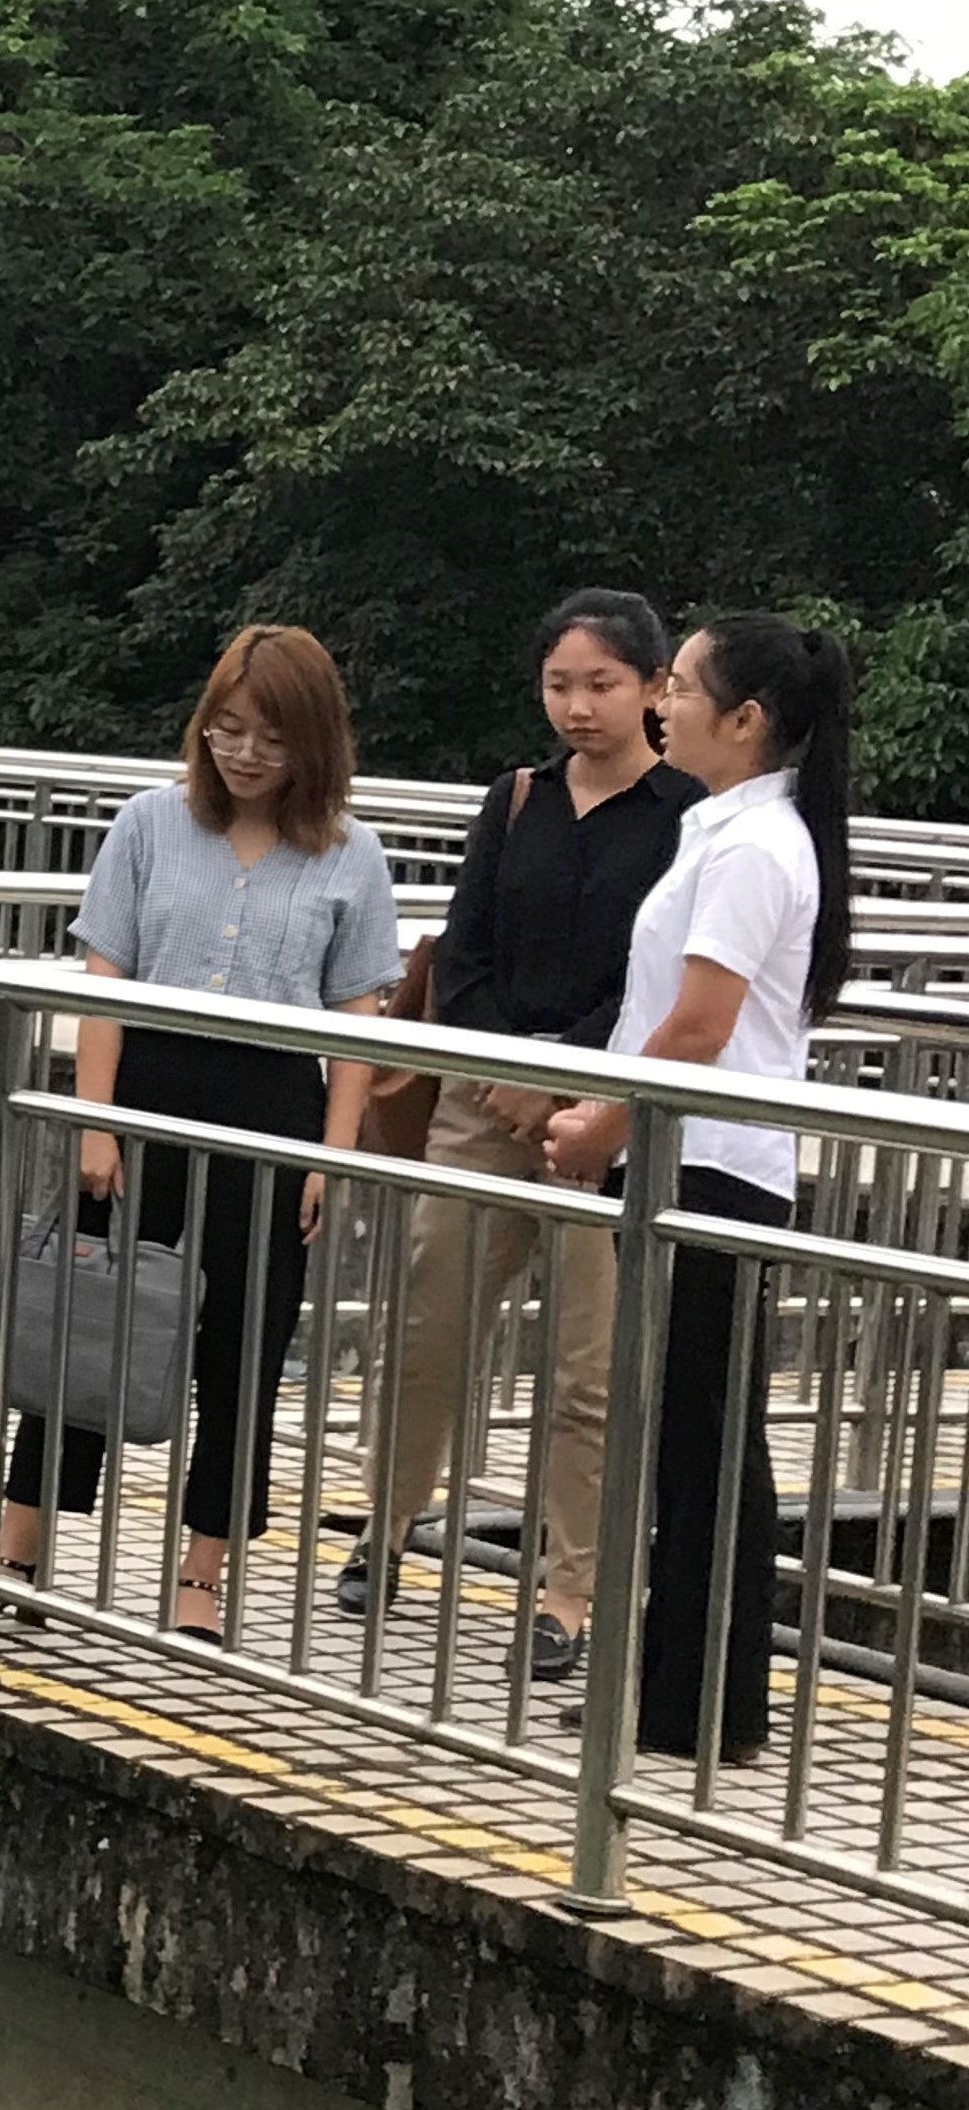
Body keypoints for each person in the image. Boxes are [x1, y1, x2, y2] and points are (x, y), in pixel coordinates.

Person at [0, 626, 403, 1639]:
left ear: (311, 740)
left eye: (266, 737)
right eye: (223, 730)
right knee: (85, 1319)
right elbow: (104, 973)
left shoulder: (349, 853)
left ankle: (200, 1575)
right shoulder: (148, 821)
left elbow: (355, 1014)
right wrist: (94, 1118)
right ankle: (16, 1545)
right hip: (143, 1087)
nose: (243, 754)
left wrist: (332, 1154)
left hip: (271, 1108)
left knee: (243, 1349)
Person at [346, 593, 702, 1672]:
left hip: (605, 1116)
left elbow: (659, 982)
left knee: (587, 1363)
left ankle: (568, 1592)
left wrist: (566, 1085)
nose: (577, 706)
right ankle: (384, 1527)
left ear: (650, 688)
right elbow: (462, 954)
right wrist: (508, 1074)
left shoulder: (686, 816)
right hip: (483, 1099)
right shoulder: (512, 802)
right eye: (559, 684)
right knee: (428, 1318)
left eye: (600, 684)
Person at [543, 613, 852, 1764]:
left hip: (707, 1166)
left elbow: (696, 1028)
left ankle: (696, 1703)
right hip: (696, 1160)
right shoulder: (731, 830)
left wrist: (598, 1124)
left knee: (702, 1442)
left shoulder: (747, 848)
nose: (658, 703)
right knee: (696, 1437)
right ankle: (686, 1693)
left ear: (744, 719)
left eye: (672, 685)